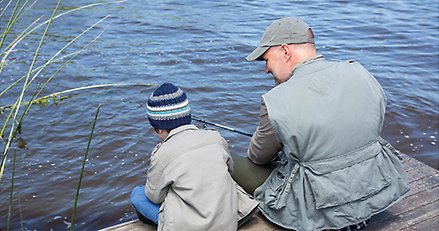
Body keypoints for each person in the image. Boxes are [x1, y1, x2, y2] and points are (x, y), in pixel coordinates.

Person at [235, 17, 411, 231]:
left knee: (233, 162)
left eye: (266, 59)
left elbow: (258, 156)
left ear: (285, 51)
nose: (266, 69)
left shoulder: (276, 100)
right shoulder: (360, 72)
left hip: (319, 210)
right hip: (374, 189)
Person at [130, 83, 258, 231]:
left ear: (159, 129)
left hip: (189, 226)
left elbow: (154, 197)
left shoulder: (162, 153)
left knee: (138, 194)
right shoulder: (215, 137)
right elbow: (229, 170)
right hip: (227, 221)